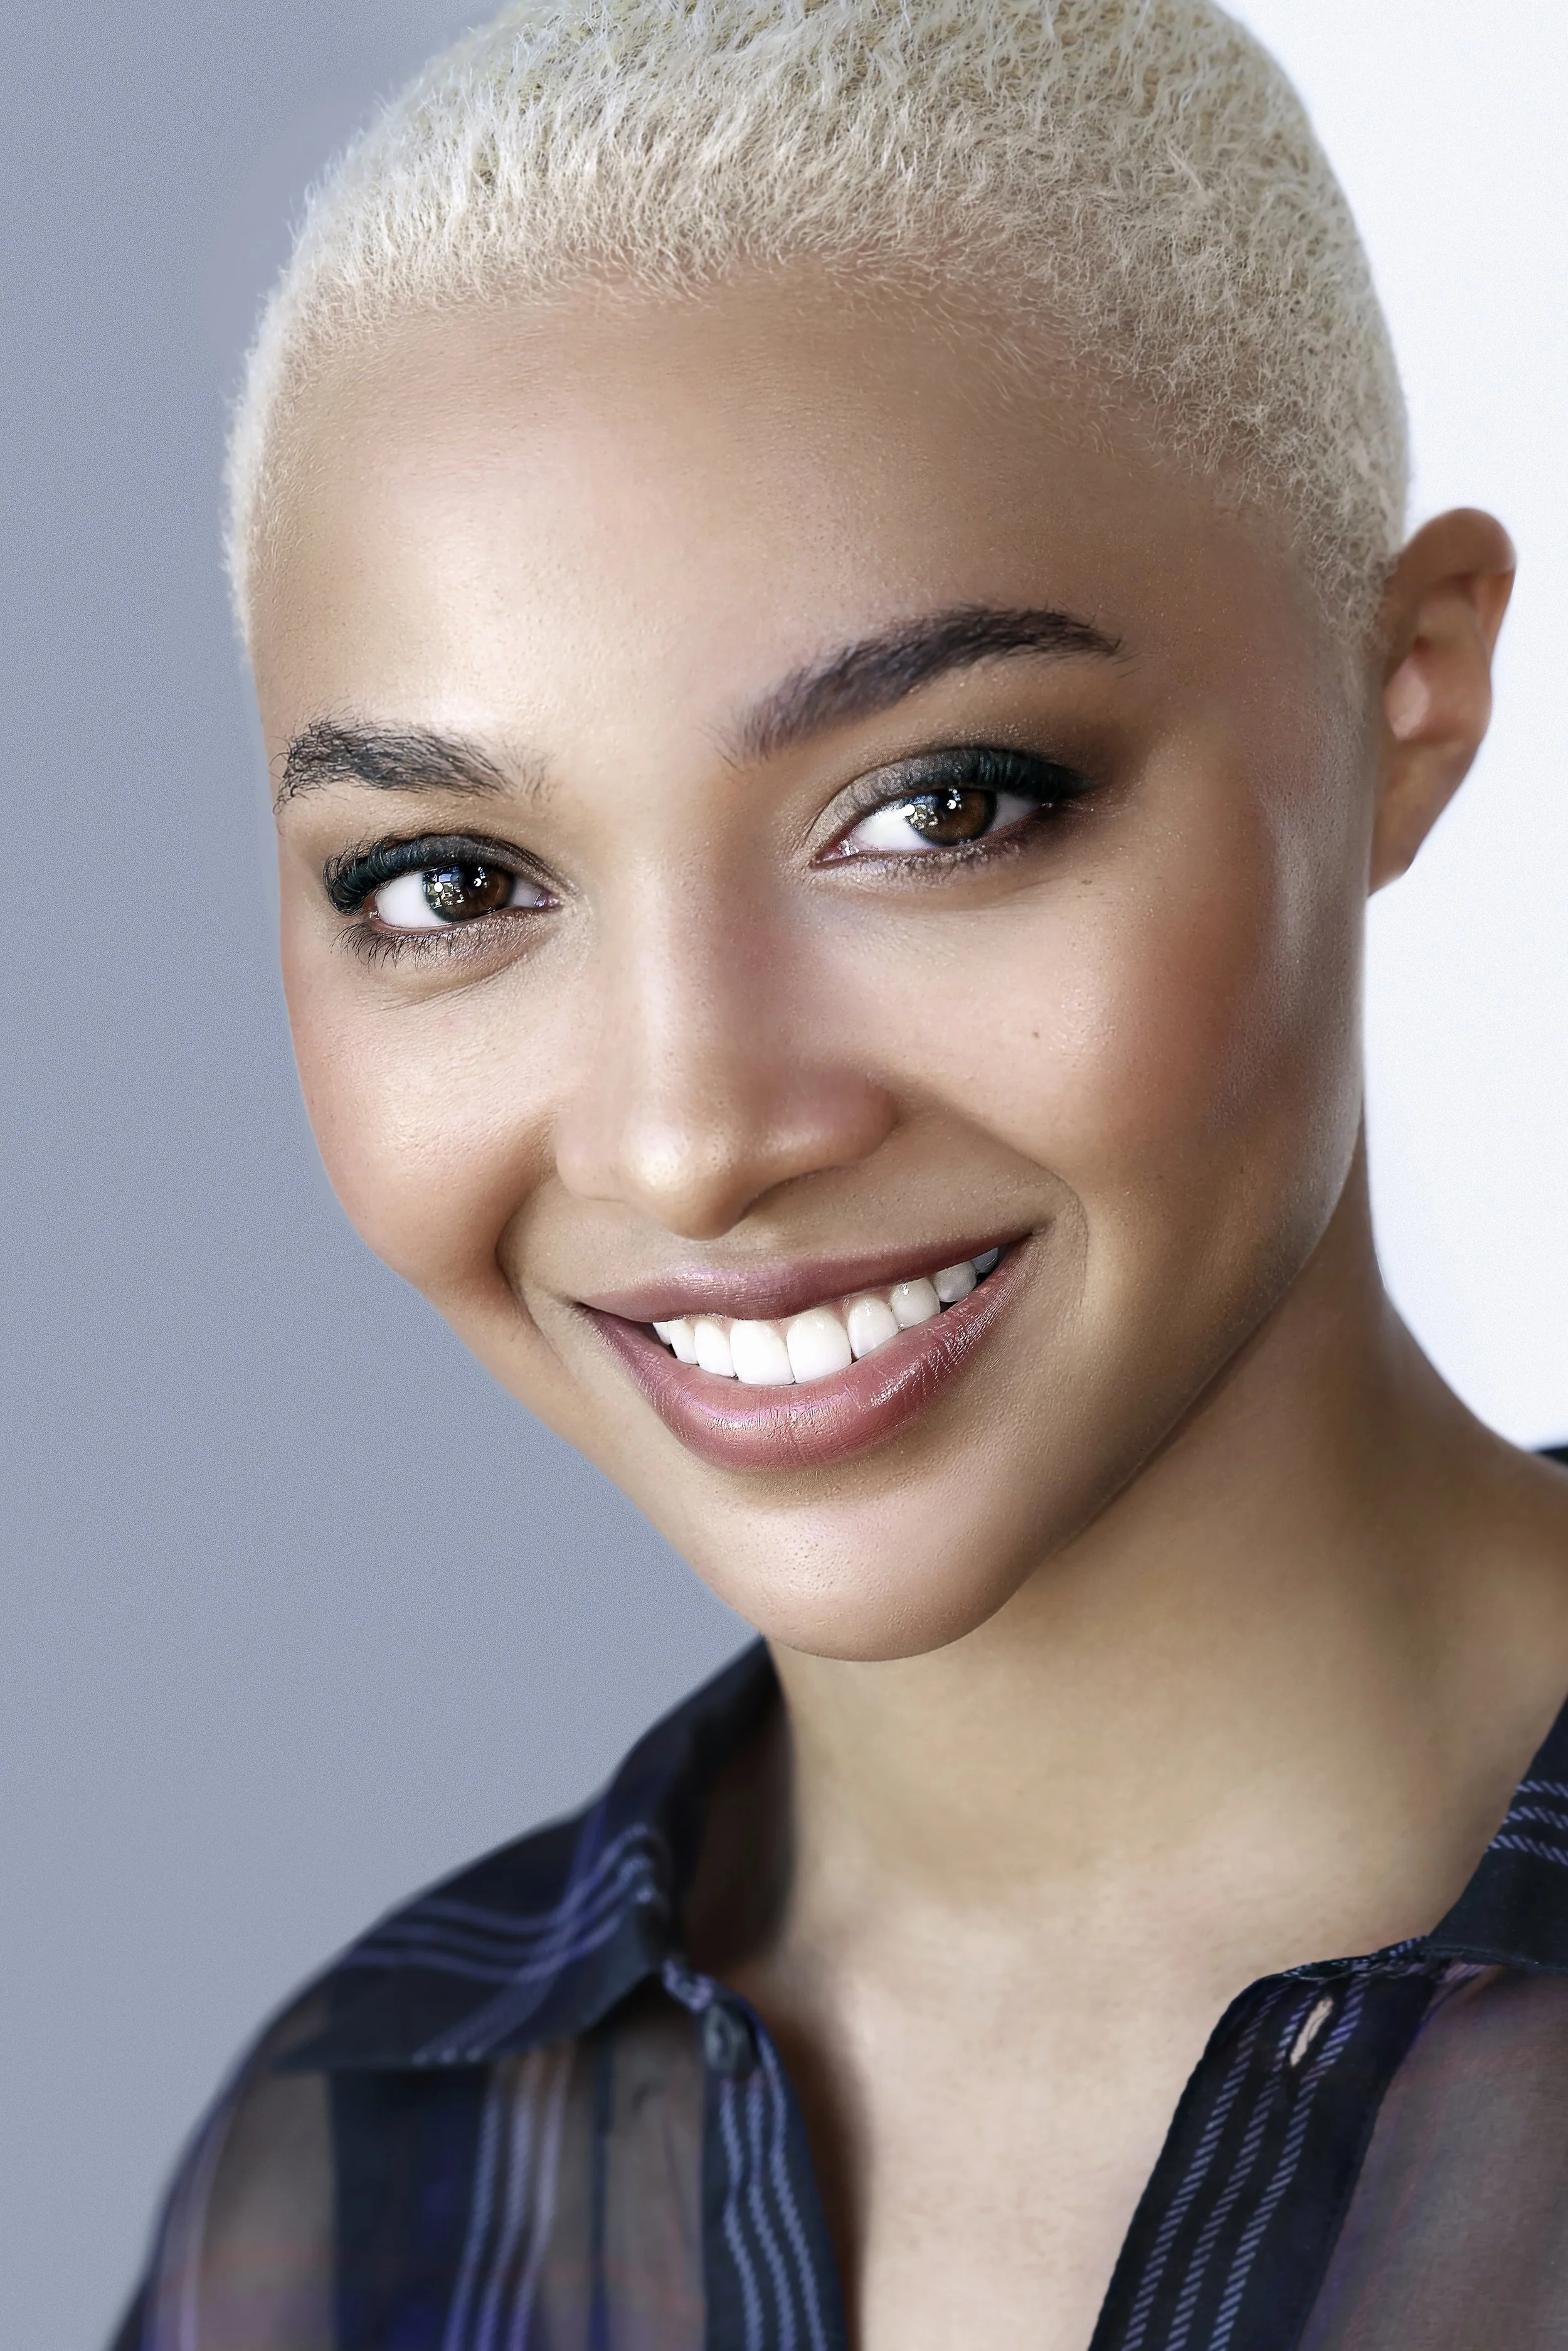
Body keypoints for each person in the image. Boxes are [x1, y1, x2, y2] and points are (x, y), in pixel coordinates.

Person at [114, 1, 1568, 2345]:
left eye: (945, 803)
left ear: (1403, 696)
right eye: (453, 883)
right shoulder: (346, 2173)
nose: (692, 1129)